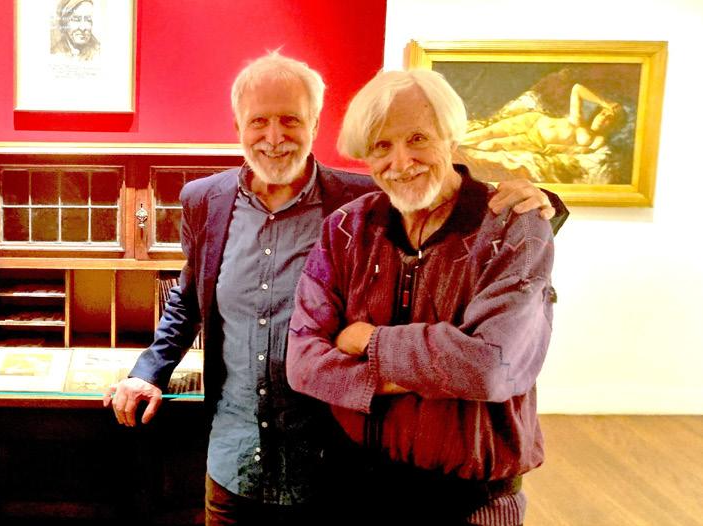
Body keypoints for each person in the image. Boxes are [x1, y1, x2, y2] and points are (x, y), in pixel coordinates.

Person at [104, 51, 563, 525]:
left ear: (315, 124)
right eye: (259, 121)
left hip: (333, 469)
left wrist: (543, 203)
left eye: (290, 119)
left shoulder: (356, 202)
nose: (274, 137)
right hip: (234, 460)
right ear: (238, 125)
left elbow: (451, 208)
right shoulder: (209, 201)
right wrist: (149, 370)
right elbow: (191, 299)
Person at [285, 69, 555, 525]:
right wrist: (432, 369)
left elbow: (491, 367)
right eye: (381, 146)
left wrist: (368, 342)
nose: (401, 160)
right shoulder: (346, 228)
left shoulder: (515, 226)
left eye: (417, 138)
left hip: (474, 504)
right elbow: (303, 364)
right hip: (357, 491)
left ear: (450, 137)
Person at [462, 83, 624, 155]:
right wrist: (604, 103)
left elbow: (585, 151)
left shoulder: (597, 139)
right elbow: (577, 89)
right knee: (488, 132)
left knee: (491, 145)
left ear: (613, 125)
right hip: (533, 121)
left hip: (535, 141)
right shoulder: (578, 118)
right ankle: (452, 143)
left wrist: (559, 148)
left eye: (609, 118)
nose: (603, 118)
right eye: (603, 113)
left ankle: (455, 148)